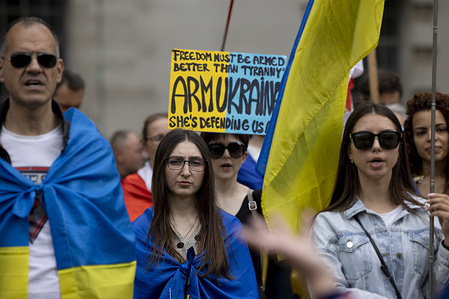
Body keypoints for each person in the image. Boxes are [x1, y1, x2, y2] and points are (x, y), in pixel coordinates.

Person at [0, 17, 135, 298]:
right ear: (2, 68)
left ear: (58, 70)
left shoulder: (91, 152)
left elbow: (112, 240)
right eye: (21, 58)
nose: (34, 67)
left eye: (46, 60)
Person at [312, 103, 449, 298]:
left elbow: (437, 293)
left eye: (388, 139)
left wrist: (448, 240)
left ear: (399, 148)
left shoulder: (427, 215)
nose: (376, 147)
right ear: (349, 151)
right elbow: (327, 292)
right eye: (363, 140)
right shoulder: (328, 223)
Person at [132, 129, 258, 298]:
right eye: (176, 162)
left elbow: (244, 293)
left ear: (206, 169)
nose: (186, 171)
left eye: (196, 163)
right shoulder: (140, 231)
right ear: (161, 166)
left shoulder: (229, 228)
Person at [201, 132, 294, 298]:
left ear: (244, 156)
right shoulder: (192, 204)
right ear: (205, 155)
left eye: (234, 149)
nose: (226, 155)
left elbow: (278, 266)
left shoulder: (259, 201)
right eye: (216, 149)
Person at [121, 112, 169, 221]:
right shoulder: (130, 186)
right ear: (144, 145)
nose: (167, 144)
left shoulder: (196, 183)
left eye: (172, 136)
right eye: (158, 138)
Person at [404, 92, 449, 196]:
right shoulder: (401, 183)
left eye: (440, 130)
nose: (431, 138)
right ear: (411, 138)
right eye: (421, 133)